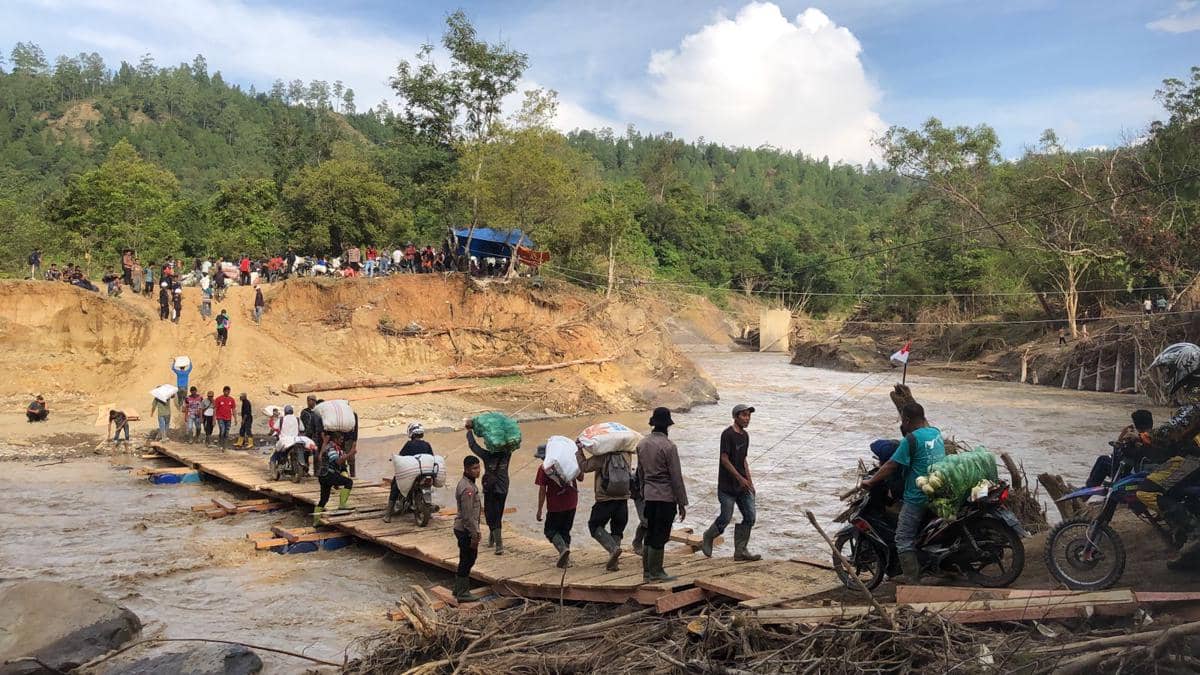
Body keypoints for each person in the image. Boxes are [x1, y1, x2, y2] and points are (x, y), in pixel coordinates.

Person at [859, 402, 946, 584]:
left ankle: (912, 581)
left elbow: (891, 465)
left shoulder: (910, 440)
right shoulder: (935, 432)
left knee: (903, 538)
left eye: (902, 420)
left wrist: (870, 481)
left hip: (918, 496)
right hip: (938, 491)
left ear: (906, 420)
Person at [1132, 343, 1200, 570]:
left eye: (1170, 369)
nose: (1168, 374)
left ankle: (1194, 532)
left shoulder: (1196, 395)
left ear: (1185, 366)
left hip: (1195, 458)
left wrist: (1145, 436)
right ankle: (1190, 556)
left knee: (1147, 490)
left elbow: (1174, 428)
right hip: (1193, 453)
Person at [701, 404, 761, 561]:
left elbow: (744, 460)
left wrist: (750, 482)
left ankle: (740, 551)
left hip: (743, 487)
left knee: (750, 516)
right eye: (744, 415)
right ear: (735, 417)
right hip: (727, 486)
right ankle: (708, 536)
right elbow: (724, 459)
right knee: (726, 517)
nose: (747, 418)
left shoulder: (745, 436)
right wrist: (740, 478)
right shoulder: (727, 434)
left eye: (749, 415)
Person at [636, 407, 688, 582]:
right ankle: (657, 572)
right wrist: (682, 503)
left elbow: (640, 473)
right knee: (661, 534)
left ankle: (647, 573)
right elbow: (676, 477)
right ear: (668, 425)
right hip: (665, 497)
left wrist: (643, 493)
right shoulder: (669, 446)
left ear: (653, 423)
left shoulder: (641, 444)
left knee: (650, 533)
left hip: (649, 496)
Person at [576, 436, 634, 571]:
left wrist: (579, 451)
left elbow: (584, 467)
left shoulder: (602, 457)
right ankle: (614, 563)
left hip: (605, 498)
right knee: (617, 530)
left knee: (594, 526)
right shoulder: (627, 455)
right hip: (623, 498)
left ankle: (613, 549)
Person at [465, 419, 512, 555]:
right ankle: (492, 539)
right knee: (497, 514)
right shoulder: (507, 455)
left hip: (491, 489)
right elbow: (511, 443)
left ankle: (499, 545)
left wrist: (469, 431)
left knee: (491, 515)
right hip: (503, 488)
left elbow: (473, 446)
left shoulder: (487, 456)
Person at [536, 443, 579, 568]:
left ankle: (562, 550)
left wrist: (539, 510)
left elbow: (542, 490)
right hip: (572, 503)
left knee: (550, 530)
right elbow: (580, 477)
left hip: (555, 506)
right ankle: (566, 560)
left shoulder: (543, 468)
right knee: (565, 530)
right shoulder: (568, 464)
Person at [453, 455, 484, 601]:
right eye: (474, 468)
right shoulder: (468, 489)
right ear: (466, 469)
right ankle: (462, 593)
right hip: (465, 529)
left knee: (466, 558)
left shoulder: (468, 483)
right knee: (468, 559)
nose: (478, 471)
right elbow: (467, 515)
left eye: (478, 467)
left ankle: (458, 589)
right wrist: (475, 534)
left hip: (464, 528)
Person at [314, 432, 355, 525]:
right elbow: (338, 462)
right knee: (349, 482)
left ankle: (316, 522)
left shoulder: (329, 447)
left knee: (324, 499)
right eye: (340, 439)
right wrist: (351, 453)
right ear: (335, 439)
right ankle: (342, 505)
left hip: (323, 476)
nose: (342, 441)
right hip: (329, 475)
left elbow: (320, 458)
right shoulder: (332, 448)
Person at [300, 395, 324, 472]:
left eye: (314, 400)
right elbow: (304, 425)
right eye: (312, 400)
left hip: (317, 436)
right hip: (308, 436)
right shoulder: (305, 412)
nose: (313, 402)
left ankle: (317, 471)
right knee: (306, 453)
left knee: (317, 454)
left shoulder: (317, 412)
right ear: (308, 401)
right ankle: (305, 470)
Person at [344, 412, 359, 477]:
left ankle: (353, 476)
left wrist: (354, 442)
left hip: (349, 439)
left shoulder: (353, 414)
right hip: (341, 439)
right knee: (342, 460)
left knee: (351, 460)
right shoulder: (341, 414)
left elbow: (356, 429)